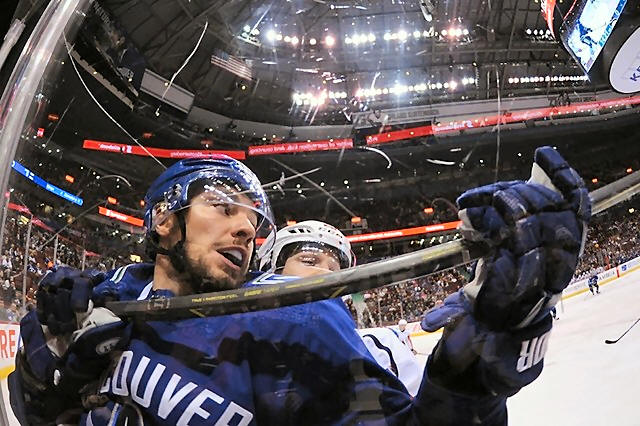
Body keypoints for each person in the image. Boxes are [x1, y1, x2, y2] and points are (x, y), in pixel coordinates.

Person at [11, 147, 590, 425]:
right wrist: (50, 359)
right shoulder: (108, 299)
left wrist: (484, 357)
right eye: (224, 205)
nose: (245, 227)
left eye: (253, 220)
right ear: (164, 217)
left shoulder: (296, 325)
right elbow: (36, 412)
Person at [257, 220, 423, 396]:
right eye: (309, 261)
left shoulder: (378, 346)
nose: (326, 273)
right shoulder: (245, 347)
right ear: (271, 270)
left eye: (334, 269)